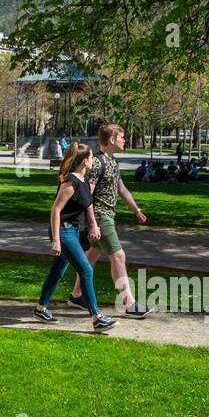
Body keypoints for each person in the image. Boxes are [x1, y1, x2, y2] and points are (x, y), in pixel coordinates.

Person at [34, 143, 115, 333]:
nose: (94, 159)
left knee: (57, 271)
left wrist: (93, 225)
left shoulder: (83, 180)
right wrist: (56, 240)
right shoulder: (71, 182)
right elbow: (55, 210)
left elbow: (88, 204)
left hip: (73, 231)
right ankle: (97, 318)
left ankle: (40, 309)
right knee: (86, 269)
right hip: (63, 231)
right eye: (92, 157)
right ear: (85, 160)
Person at [70, 121, 149, 317]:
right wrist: (92, 223)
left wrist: (136, 210)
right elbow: (88, 193)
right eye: (122, 137)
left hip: (106, 216)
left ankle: (76, 295)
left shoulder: (113, 162)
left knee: (91, 256)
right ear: (112, 139)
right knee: (119, 256)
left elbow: (121, 189)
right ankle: (129, 303)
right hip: (100, 216)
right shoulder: (97, 162)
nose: (125, 140)